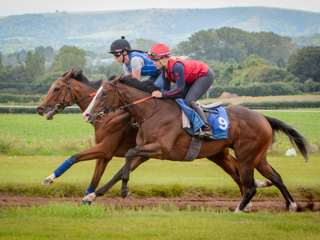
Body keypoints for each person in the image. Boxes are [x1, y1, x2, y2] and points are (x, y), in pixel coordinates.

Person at [148, 43, 215, 137]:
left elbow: (179, 90)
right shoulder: (164, 69)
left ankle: (206, 128)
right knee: (173, 99)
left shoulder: (177, 67)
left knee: (189, 101)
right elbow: (167, 89)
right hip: (191, 78)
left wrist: (162, 95)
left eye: (155, 60)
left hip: (204, 75)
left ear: (164, 59)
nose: (153, 63)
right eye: (152, 60)